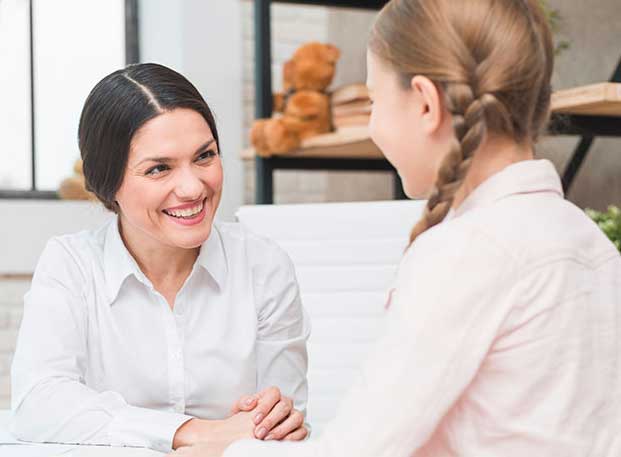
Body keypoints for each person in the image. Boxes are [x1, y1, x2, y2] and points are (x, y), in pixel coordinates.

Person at [169, 0, 621, 456]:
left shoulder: (468, 252)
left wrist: (224, 451)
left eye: (373, 101)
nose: (372, 125)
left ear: (425, 103)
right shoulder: (594, 245)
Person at [11, 63, 310, 453]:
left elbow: (280, 425)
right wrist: (191, 431)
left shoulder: (263, 265)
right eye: (158, 169)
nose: (192, 187)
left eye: (205, 156)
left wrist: (277, 419)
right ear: (108, 182)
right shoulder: (71, 265)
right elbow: (38, 402)